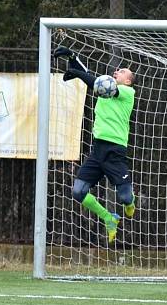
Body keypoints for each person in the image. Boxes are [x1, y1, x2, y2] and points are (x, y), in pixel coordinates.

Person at [54, 46, 137, 243]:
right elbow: (90, 76)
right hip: (98, 150)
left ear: (128, 81)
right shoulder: (105, 86)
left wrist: (76, 73)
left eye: (123, 71)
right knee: (78, 191)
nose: (117, 71)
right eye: (117, 70)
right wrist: (72, 57)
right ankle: (108, 218)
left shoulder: (127, 92)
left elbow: (92, 81)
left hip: (115, 152)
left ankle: (130, 202)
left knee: (125, 198)